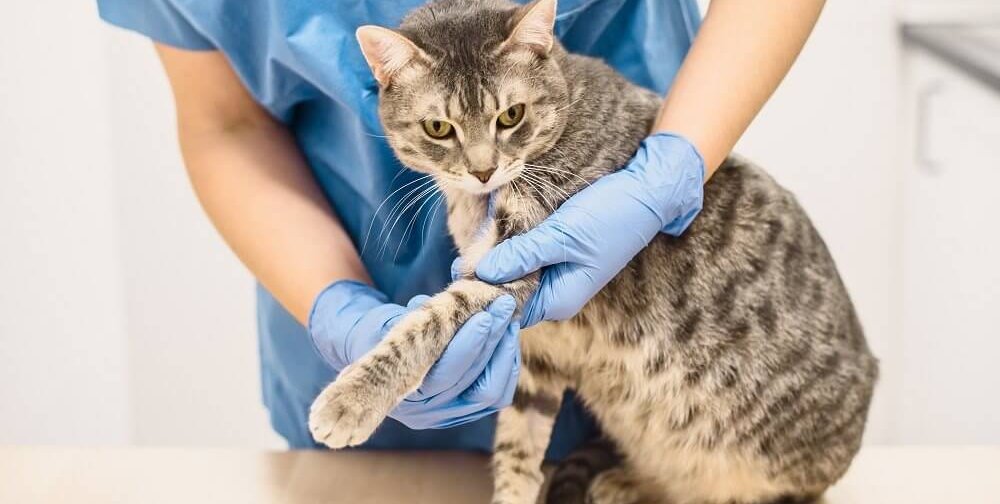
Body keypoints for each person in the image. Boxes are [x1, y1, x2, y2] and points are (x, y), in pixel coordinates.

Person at [98, 0, 825, 457]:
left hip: (636, 300)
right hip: (334, 257)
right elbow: (224, 122)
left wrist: (673, 162)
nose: (480, 166)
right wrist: (340, 308)